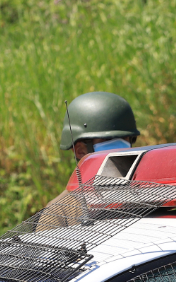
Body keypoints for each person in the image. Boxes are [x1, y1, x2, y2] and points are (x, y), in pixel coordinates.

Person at [37, 92, 141, 231]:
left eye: (125, 139)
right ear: (80, 150)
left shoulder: (150, 194)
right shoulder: (59, 214)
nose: (120, 146)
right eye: (107, 140)